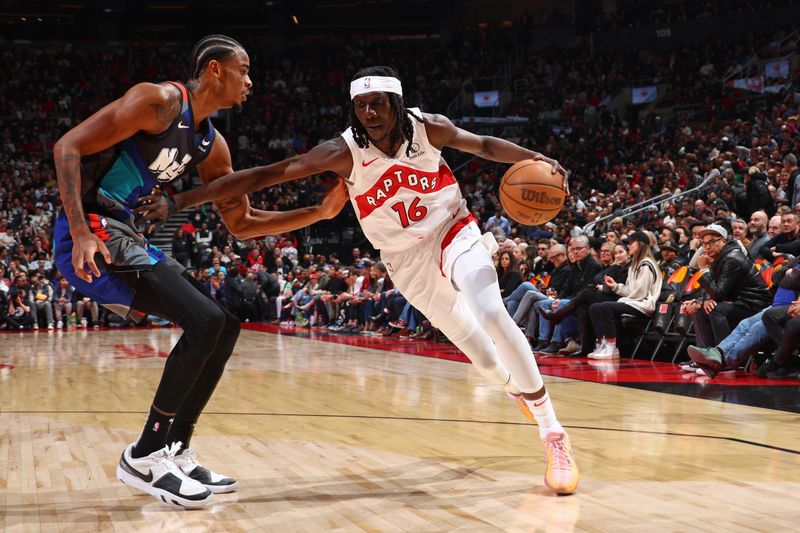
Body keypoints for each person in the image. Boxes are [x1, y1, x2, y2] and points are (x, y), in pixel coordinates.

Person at [141, 65, 579, 494]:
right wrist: (181, 199)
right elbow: (265, 174)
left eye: (378, 104)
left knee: (490, 310)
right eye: (361, 105)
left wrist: (536, 158)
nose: (369, 113)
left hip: (453, 229)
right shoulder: (343, 151)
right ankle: (517, 390)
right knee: (483, 360)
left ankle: (553, 434)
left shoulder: (429, 128)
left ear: (396, 103)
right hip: (406, 261)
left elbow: (483, 143)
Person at [52, 34, 346, 508]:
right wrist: (79, 231)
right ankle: (144, 454)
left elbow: (242, 222)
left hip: (124, 233)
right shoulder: (159, 101)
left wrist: (318, 214)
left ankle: (175, 447)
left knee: (224, 324)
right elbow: (67, 147)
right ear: (214, 69)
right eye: (243, 70)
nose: (250, 81)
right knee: (204, 321)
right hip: (90, 231)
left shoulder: (211, 144)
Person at [586, 232, 662, 359]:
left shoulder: (646, 264)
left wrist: (622, 299)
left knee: (605, 306)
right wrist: (615, 286)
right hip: (634, 302)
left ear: (641, 244)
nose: (629, 246)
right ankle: (602, 344)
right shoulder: (634, 265)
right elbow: (630, 291)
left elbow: (639, 293)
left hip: (644, 304)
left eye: (632, 243)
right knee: (594, 308)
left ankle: (612, 347)